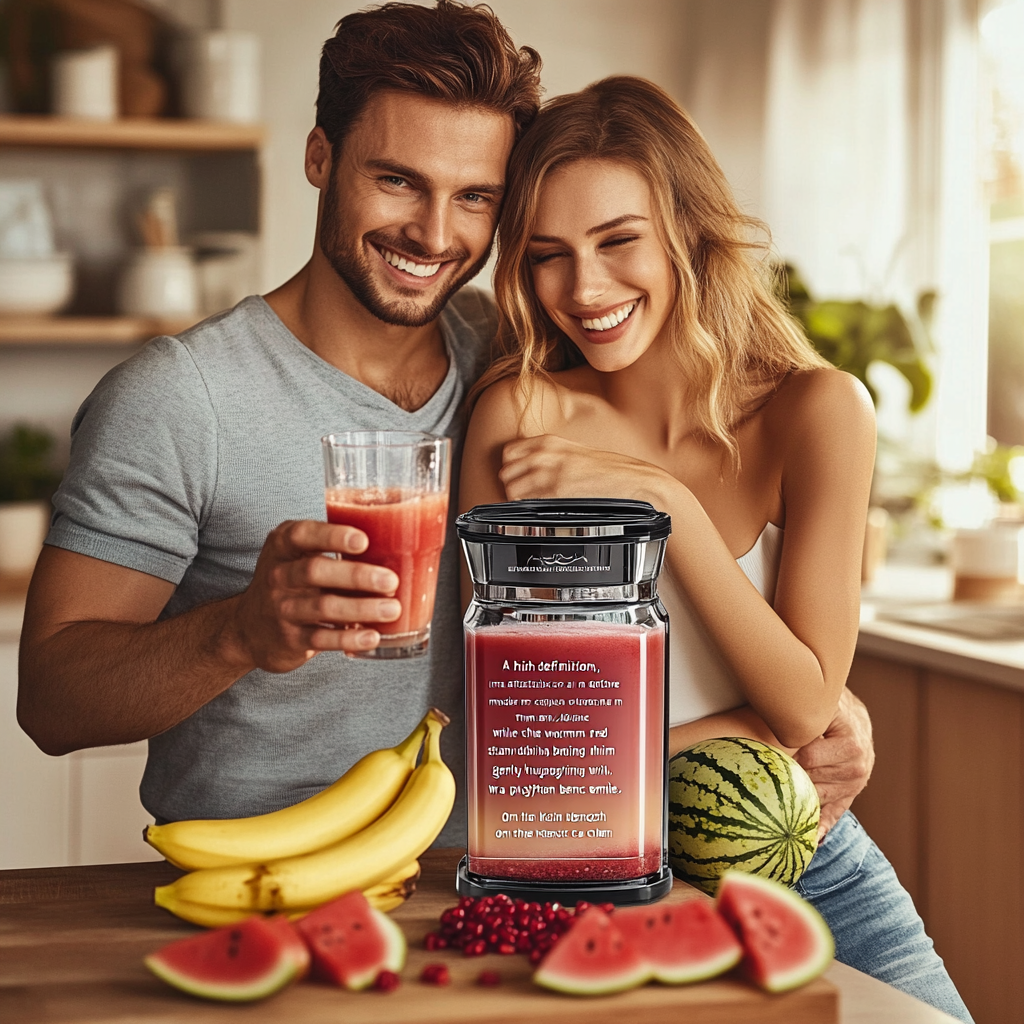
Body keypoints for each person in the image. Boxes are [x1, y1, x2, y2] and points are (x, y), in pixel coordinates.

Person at [18, 3, 871, 856]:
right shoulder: (182, 398)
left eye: (474, 199)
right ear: (321, 158)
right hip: (271, 871)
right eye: (397, 180)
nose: (432, 233)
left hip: (511, 864)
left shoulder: (514, 361)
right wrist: (238, 631)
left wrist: (818, 707)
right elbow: (52, 700)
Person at [461, 76, 973, 1022]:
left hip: (813, 866)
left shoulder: (818, 413)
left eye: (619, 242)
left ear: (689, 231)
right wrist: (756, 735)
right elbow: (532, 755)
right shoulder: (521, 415)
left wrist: (666, 505)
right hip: (594, 876)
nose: (585, 290)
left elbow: (805, 700)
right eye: (548, 256)